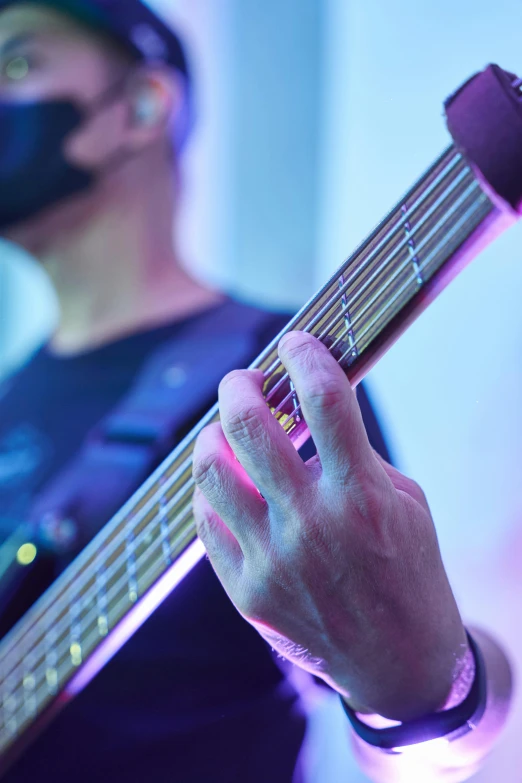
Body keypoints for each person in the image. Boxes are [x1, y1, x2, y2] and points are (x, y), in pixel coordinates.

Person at [0, 1, 512, 781]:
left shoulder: (274, 368)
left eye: (18, 64)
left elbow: (434, 720)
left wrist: (424, 692)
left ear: (141, 107)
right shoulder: (9, 396)